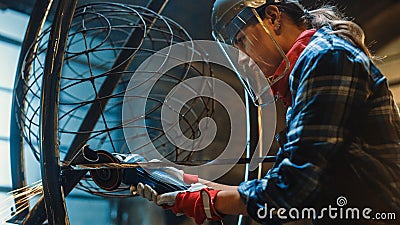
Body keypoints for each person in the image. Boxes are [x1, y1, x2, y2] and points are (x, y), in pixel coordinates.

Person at [134, 0, 400, 224]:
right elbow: (279, 184)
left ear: (272, 17)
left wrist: (209, 202)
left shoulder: (326, 58)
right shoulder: (310, 68)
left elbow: (294, 188)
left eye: (240, 40)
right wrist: (186, 184)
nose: (239, 58)